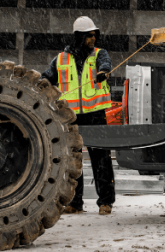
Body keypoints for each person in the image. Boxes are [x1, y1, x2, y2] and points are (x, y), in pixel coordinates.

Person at [42, 16, 115, 215]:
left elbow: (106, 64)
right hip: (71, 117)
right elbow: (47, 78)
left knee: (101, 159)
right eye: (89, 36)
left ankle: (105, 202)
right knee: (73, 161)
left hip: (96, 114)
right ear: (79, 37)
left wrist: (103, 72)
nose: (93, 39)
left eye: (94, 35)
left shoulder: (99, 54)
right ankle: (74, 202)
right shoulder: (61, 59)